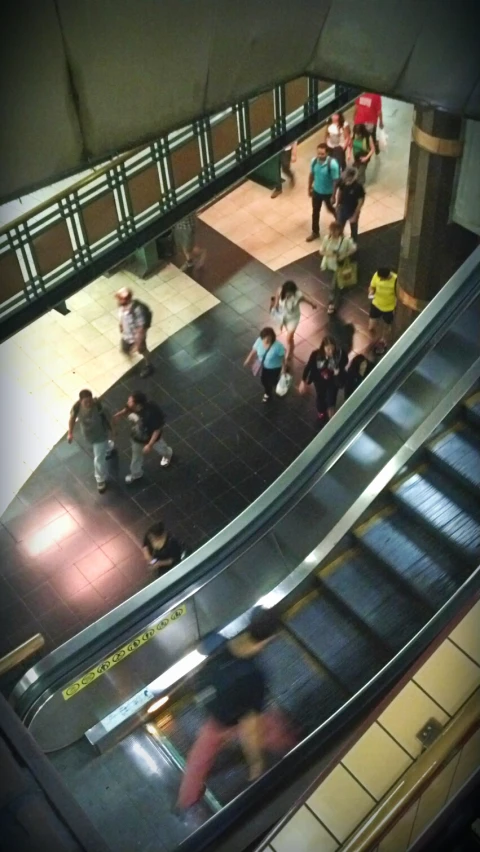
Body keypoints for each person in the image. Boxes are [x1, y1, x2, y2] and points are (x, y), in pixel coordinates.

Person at [176, 608, 296, 810]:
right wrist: (256, 766)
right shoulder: (255, 678)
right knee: (276, 732)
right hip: (232, 722)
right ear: (271, 638)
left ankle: (186, 801)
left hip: (216, 719)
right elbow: (250, 728)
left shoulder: (220, 642)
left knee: (198, 761)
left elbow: (199, 647)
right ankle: (297, 758)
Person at [114, 391, 172, 483]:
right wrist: (120, 414)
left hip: (152, 439)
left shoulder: (150, 412)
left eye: (130, 401)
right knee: (136, 457)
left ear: (137, 404)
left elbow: (157, 430)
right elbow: (126, 409)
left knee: (162, 449)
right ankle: (136, 474)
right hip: (137, 438)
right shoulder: (131, 407)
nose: (128, 402)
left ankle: (168, 454)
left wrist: (149, 445)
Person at [67, 390, 115, 493]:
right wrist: (70, 433)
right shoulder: (76, 407)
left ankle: (100, 479)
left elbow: (109, 419)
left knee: (98, 459)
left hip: (101, 434)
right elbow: (72, 419)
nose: (89, 404)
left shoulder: (100, 406)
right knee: (103, 449)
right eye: (86, 402)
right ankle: (108, 447)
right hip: (88, 435)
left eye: (90, 401)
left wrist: (113, 430)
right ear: (80, 401)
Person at [299, 336, 348, 424]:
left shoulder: (340, 354)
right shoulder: (316, 355)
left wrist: (338, 370)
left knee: (331, 398)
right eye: (328, 349)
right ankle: (321, 412)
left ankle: (331, 415)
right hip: (319, 380)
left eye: (332, 348)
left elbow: (345, 362)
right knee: (320, 396)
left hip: (332, 381)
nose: (331, 351)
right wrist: (303, 380)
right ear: (323, 348)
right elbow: (309, 366)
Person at [270, 280, 317, 362]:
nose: (289, 295)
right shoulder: (280, 290)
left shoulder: (298, 295)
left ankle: (289, 351)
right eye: (287, 293)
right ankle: (291, 343)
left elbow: (304, 299)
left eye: (290, 293)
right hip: (283, 316)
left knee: (288, 337)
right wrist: (276, 305)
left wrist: (312, 304)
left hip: (293, 318)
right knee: (290, 336)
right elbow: (277, 297)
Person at [318, 221, 357, 315]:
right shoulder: (327, 239)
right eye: (331, 230)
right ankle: (340, 285)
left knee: (333, 285)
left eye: (335, 230)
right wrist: (329, 254)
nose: (332, 232)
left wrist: (344, 255)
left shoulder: (345, 240)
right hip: (329, 264)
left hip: (339, 266)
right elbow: (321, 250)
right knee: (335, 281)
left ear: (339, 230)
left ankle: (332, 303)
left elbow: (353, 248)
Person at [115, 287, 154, 378]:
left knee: (142, 350)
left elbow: (141, 327)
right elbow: (122, 316)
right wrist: (121, 325)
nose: (119, 300)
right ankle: (133, 363)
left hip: (136, 336)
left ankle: (149, 365)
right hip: (126, 335)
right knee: (125, 349)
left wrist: (138, 342)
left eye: (120, 298)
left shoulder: (138, 309)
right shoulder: (122, 306)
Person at [306, 143, 340, 242]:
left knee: (331, 209)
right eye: (318, 154)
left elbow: (335, 181)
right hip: (317, 191)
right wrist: (309, 188)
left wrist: (334, 195)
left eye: (322, 154)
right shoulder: (314, 162)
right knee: (315, 212)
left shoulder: (332, 164)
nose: (320, 156)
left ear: (327, 153)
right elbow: (311, 175)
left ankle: (339, 224)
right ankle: (315, 232)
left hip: (328, 193)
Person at [244, 327, 288, 403]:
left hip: (274, 368)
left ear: (272, 337)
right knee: (264, 380)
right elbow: (254, 350)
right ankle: (269, 389)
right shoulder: (259, 340)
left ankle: (270, 391)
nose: (266, 340)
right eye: (264, 338)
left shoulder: (278, 346)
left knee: (271, 381)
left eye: (269, 338)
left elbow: (282, 357)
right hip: (263, 366)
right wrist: (248, 358)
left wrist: (284, 368)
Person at [368, 267, 398, 354]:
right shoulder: (377, 275)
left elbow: (398, 296)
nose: (380, 279)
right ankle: (374, 339)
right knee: (371, 327)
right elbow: (372, 286)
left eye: (382, 278)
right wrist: (371, 291)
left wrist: (395, 308)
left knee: (387, 326)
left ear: (388, 276)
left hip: (389, 308)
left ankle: (384, 340)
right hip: (376, 304)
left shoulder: (396, 280)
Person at [335, 167, 365, 241]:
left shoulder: (358, 186)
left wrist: (355, 215)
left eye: (347, 177)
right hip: (342, 209)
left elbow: (361, 201)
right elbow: (340, 192)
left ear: (351, 177)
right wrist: (337, 204)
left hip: (352, 210)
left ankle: (353, 245)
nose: (345, 179)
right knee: (339, 228)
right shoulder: (343, 183)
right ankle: (340, 243)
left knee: (353, 230)